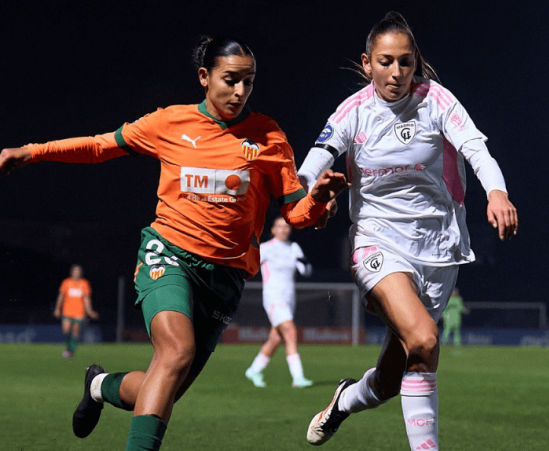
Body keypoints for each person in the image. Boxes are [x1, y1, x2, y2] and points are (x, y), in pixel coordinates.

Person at [0, 36, 346, 451]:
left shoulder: (269, 137)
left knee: (161, 388)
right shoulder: (169, 123)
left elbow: (296, 214)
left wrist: (321, 201)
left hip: (226, 278)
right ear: (204, 77)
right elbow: (100, 146)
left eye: (248, 82)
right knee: (176, 352)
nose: (240, 92)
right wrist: (32, 152)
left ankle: (99, 386)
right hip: (169, 255)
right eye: (230, 80)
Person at [297, 12, 518, 449]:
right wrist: (311, 195)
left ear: (416, 63)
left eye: (405, 62)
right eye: (385, 61)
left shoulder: (436, 100)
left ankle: (344, 401)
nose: (395, 72)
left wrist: (498, 192)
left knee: (391, 377)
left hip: (440, 249)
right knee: (423, 337)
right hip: (377, 241)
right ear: (366, 63)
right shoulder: (353, 112)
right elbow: (310, 167)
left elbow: (476, 147)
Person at [245, 216, 314, 388]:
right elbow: (249, 267)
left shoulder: (293, 247)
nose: (283, 230)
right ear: (273, 230)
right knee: (290, 331)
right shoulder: (266, 248)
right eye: (279, 227)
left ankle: (254, 370)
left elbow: (305, 271)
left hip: (289, 299)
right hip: (273, 298)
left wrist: (303, 263)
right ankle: (298, 378)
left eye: (286, 227)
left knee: (275, 338)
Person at [54, 264, 99, 358]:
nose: (76, 273)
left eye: (78, 271)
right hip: (67, 311)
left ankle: (71, 352)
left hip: (79, 312)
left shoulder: (84, 283)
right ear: (71, 272)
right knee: (66, 330)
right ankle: (68, 348)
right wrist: (57, 309)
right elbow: (61, 296)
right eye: (75, 271)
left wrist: (90, 311)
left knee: (75, 331)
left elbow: (86, 299)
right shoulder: (66, 282)